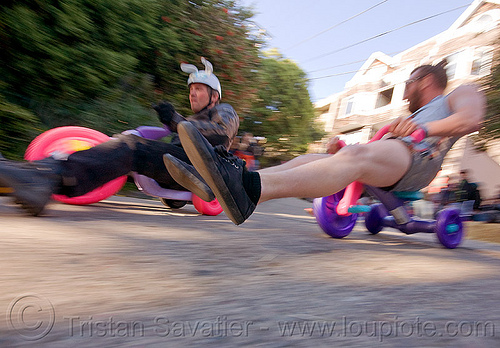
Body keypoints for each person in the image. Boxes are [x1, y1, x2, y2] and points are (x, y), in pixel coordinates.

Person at [163, 60, 486, 225]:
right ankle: (223, 185)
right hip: (396, 152)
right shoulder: (408, 118)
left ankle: (241, 187)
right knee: (313, 157)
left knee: (357, 157)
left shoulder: (459, 93)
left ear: (426, 80)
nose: (405, 89)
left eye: (409, 81)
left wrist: (420, 130)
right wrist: (342, 150)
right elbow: (379, 144)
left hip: (420, 158)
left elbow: (470, 119)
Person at [0, 58, 239, 216]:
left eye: (198, 89)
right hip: (178, 167)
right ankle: (36, 171)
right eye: (190, 90)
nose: (192, 94)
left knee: (133, 148)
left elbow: (219, 136)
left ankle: (43, 178)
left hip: (200, 167)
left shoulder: (224, 111)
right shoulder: (193, 118)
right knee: (124, 146)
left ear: (214, 96)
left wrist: (176, 120)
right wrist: (172, 123)